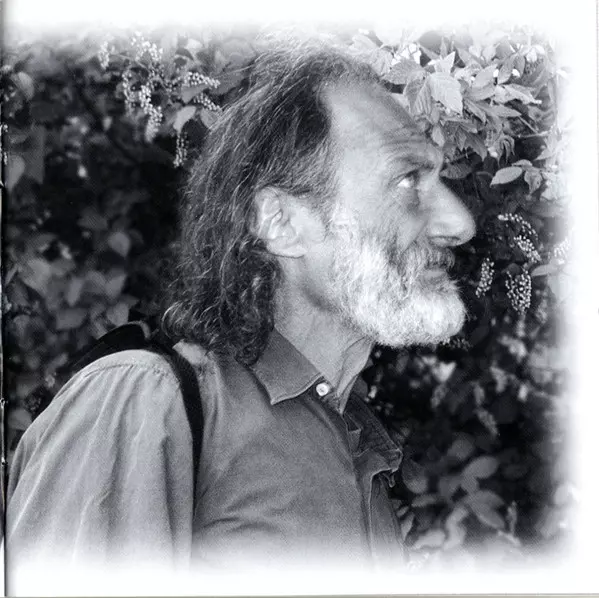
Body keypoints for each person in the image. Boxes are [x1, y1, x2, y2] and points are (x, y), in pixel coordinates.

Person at [6, 37, 475, 591]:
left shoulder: (354, 439)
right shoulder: (146, 400)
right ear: (281, 222)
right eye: (407, 180)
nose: (459, 223)